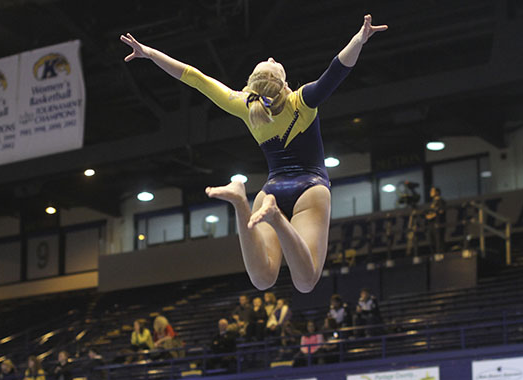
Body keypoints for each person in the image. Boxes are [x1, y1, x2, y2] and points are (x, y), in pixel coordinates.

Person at [121, 15, 387, 293]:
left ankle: (241, 203)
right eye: (272, 64)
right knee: (306, 282)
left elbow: (195, 78)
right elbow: (337, 69)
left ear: (251, 88)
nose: (271, 58)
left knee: (262, 280)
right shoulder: (302, 101)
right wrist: (359, 39)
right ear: (285, 86)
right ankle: (275, 217)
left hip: (268, 191)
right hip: (311, 188)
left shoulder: (245, 106)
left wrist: (150, 54)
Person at [425, 187, 447, 256]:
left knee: (439, 240)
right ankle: (434, 255)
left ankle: (440, 254)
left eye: (432, 191)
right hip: (432, 224)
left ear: (437, 192)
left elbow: (441, 211)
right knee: (432, 241)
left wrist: (431, 216)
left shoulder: (441, 201)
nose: (430, 192)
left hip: (438, 223)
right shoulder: (433, 202)